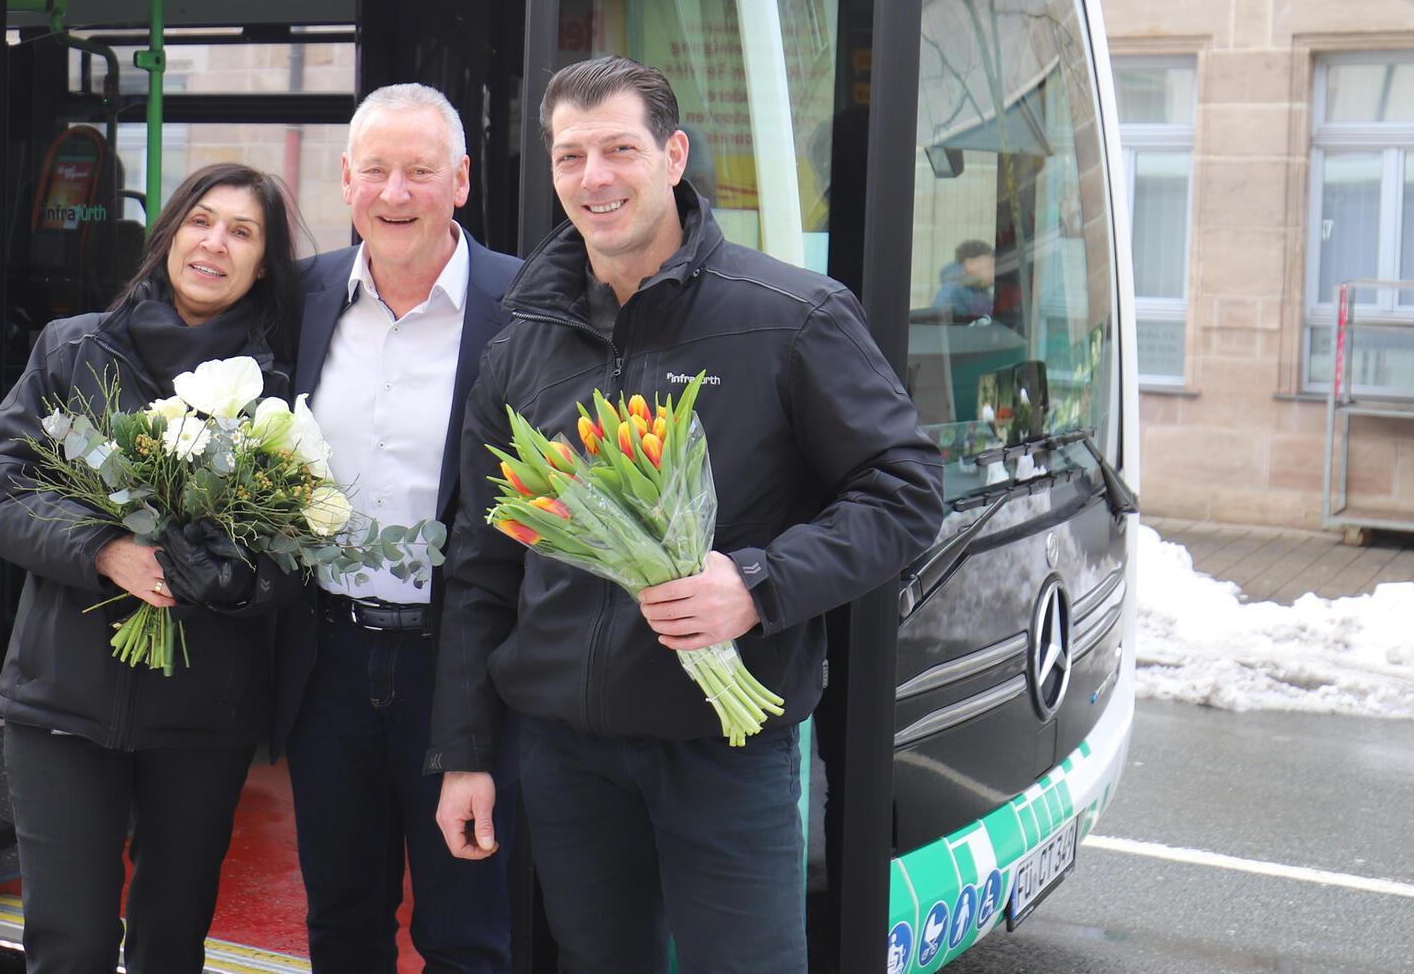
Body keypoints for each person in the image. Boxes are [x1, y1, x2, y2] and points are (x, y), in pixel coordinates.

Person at [428, 56, 945, 973]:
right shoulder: (520, 346)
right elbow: (481, 563)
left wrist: (758, 583)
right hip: (565, 754)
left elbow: (904, 491)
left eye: (619, 149)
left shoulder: (791, 315)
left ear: (672, 155)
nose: (595, 178)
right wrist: (466, 752)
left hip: (726, 750)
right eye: (571, 155)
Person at [0, 163, 303, 974]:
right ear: (170, 235)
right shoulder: (74, 348)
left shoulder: (281, 387)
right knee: (71, 947)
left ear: (264, 263)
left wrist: (231, 577)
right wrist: (104, 550)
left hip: (202, 716)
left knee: (169, 945)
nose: (215, 243)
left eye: (242, 232)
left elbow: (296, 550)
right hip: (62, 704)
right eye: (202, 221)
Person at [279, 84, 523, 973]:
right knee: (341, 918)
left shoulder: (526, 300)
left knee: (468, 929)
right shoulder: (302, 297)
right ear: (345, 181)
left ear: (459, 181)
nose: (395, 194)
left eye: (420, 171)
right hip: (328, 662)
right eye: (375, 170)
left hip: (462, 662)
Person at [934, 239, 995, 320]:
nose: (994, 271)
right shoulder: (951, 291)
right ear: (970, 263)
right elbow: (943, 327)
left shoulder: (980, 290)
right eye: (990, 266)